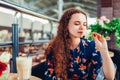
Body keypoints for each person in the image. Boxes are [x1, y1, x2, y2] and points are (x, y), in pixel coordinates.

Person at [32, 8, 115, 80]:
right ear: (66, 26)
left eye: (84, 24)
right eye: (77, 24)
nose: (82, 27)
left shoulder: (91, 46)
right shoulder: (54, 48)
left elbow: (110, 77)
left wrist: (104, 50)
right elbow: (49, 76)